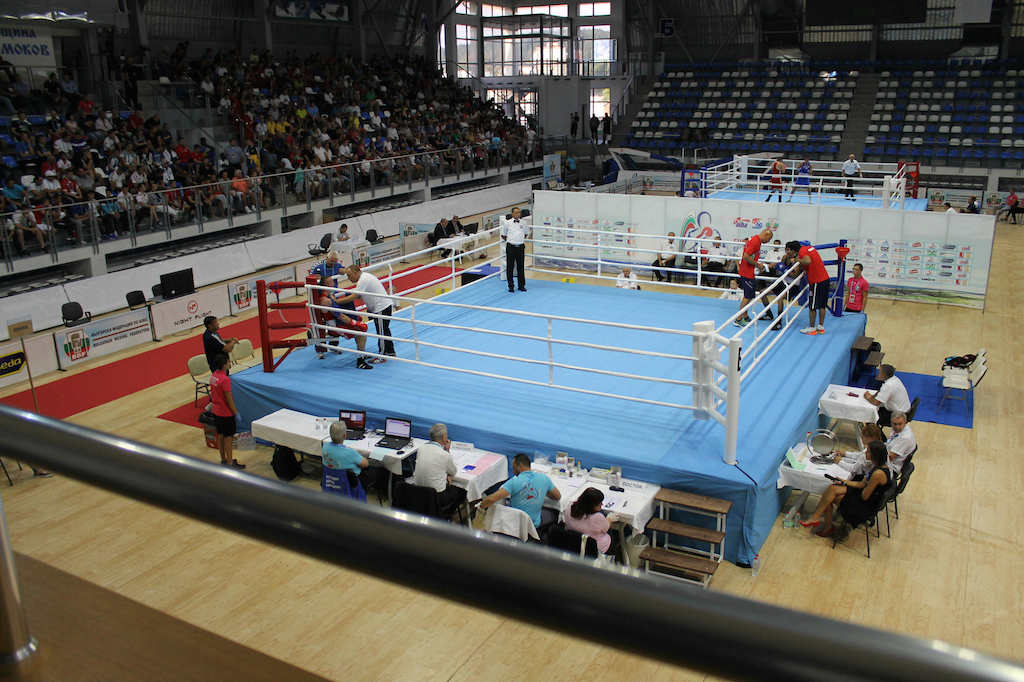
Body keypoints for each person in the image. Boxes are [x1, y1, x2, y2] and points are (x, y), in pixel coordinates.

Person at [799, 440, 891, 538]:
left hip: (865, 505)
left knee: (828, 497)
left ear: (875, 455)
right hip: (863, 494)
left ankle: (825, 526)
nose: (865, 453)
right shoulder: (875, 465)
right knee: (832, 489)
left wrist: (848, 491)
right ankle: (817, 519)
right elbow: (861, 484)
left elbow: (864, 495)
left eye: (868, 452)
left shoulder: (878, 474)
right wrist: (844, 481)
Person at [479, 453, 560, 529]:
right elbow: (557, 497)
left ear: (519, 466)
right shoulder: (544, 478)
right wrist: (543, 490)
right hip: (534, 524)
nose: (513, 472)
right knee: (552, 513)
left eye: (513, 468)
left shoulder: (514, 481)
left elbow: (491, 499)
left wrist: (480, 508)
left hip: (515, 524)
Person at [333, 264, 395, 361]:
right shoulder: (365, 277)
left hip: (381, 308)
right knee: (384, 330)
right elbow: (359, 295)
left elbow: (355, 296)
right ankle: (390, 352)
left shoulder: (363, 279)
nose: (349, 278)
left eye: (349, 275)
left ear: (356, 272)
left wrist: (337, 302)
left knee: (381, 332)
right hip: (381, 307)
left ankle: (382, 356)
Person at [314, 276, 373, 369]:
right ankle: (360, 361)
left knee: (359, 328)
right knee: (361, 333)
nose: (334, 282)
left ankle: (362, 354)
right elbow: (340, 316)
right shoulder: (326, 300)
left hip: (337, 321)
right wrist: (354, 323)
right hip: (336, 326)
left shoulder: (330, 295)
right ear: (327, 284)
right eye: (331, 281)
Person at [412, 423, 467, 512]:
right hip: (437, 496)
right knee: (462, 492)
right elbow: (453, 472)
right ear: (444, 438)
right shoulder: (444, 454)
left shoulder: (421, 449)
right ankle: (446, 516)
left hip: (418, 493)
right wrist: (447, 450)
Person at [208, 352, 245, 469]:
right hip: (225, 413)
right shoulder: (225, 380)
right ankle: (230, 463)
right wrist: (235, 413)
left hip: (216, 411)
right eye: (228, 362)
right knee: (228, 437)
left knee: (220, 435)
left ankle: (223, 459)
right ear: (224, 365)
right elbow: (229, 399)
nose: (230, 363)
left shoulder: (213, 376)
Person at [785, 240, 830, 335]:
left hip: (817, 281)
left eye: (788, 250)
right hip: (824, 278)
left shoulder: (802, 251)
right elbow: (810, 262)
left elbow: (807, 261)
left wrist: (797, 260)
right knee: (822, 305)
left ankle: (812, 328)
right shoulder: (809, 249)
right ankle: (821, 327)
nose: (787, 252)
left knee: (812, 305)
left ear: (794, 250)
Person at [564, 486, 621, 557]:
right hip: (592, 548)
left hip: (572, 542)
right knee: (613, 532)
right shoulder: (597, 517)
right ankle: (617, 556)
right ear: (590, 505)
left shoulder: (570, 506)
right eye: (599, 504)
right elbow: (606, 528)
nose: (602, 505)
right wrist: (609, 519)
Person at [734, 227, 774, 327]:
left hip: (748, 271)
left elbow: (750, 256)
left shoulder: (756, 240)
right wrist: (758, 265)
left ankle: (745, 316)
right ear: (766, 235)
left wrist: (758, 265)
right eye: (769, 239)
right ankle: (738, 319)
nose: (768, 242)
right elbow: (746, 256)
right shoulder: (755, 242)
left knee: (749, 295)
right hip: (746, 272)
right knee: (748, 296)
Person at [863, 364, 911, 428]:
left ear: (884, 375)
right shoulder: (895, 379)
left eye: (879, 372)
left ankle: (874, 436)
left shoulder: (888, 386)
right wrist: (873, 395)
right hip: (905, 411)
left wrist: (868, 397)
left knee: (870, 416)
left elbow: (876, 402)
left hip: (898, 416)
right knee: (875, 410)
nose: (878, 373)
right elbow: (881, 391)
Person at [500, 206, 528, 292]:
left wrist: (519, 240)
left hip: (520, 246)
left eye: (519, 212)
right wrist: (512, 241)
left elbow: (526, 234)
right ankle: (511, 286)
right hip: (511, 247)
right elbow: (503, 235)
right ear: (512, 214)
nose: (518, 214)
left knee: (521, 267)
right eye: (516, 212)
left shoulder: (524, 222)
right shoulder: (507, 223)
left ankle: (521, 286)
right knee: (510, 267)